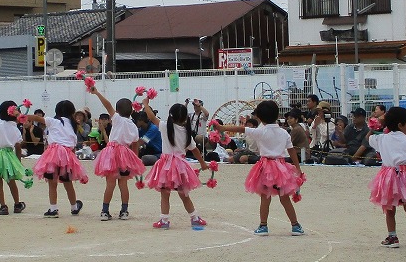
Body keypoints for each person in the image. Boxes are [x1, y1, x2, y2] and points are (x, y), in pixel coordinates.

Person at [216, 101, 306, 236]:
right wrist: (297, 168)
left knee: (265, 197)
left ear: (260, 117)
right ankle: (295, 225)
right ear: (277, 115)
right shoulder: (284, 133)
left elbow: (240, 129)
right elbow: (292, 151)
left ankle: (263, 226)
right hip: (281, 166)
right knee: (285, 197)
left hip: (266, 166)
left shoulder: (260, 132)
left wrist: (222, 128)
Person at [367, 106, 406, 248]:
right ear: (400, 125)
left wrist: (377, 124)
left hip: (387, 177)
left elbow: (368, 138)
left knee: (389, 208)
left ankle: (392, 236)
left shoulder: (382, 138)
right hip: (405, 175)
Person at [142, 100, 207, 230]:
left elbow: (151, 116)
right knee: (184, 194)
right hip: (180, 166)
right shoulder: (186, 132)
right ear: (184, 119)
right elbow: (195, 150)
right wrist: (202, 163)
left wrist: (145, 104)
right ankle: (194, 217)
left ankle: (164, 220)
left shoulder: (165, 126)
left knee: (165, 193)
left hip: (166, 165)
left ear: (170, 115)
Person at [88, 82, 144, 221]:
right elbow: (135, 145)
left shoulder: (117, 119)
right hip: (125, 154)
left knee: (110, 183)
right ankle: (124, 211)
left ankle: (105, 211)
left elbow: (107, 105)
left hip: (112, 153)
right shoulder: (133, 126)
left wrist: (97, 93)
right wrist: (135, 160)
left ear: (117, 111)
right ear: (131, 111)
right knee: (123, 184)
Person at [23, 99, 88, 217]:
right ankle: (74, 207)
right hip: (67, 155)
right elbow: (72, 145)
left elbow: (37, 118)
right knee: (68, 183)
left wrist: (21, 115)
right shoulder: (73, 125)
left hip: (53, 154)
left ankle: (53, 209)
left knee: (52, 183)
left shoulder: (53, 121)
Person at [0, 99, 27, 216]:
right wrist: (18, 162)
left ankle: (3, 206)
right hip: (8, 157)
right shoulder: (15, 128)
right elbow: (18, 147)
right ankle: (17, 204)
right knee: (11, 181)